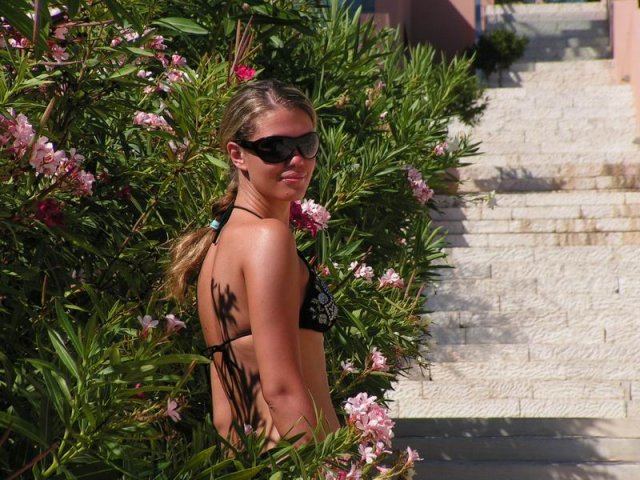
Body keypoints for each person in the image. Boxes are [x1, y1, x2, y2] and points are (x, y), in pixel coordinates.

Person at [167, 79, 340, 448]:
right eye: (275, 147)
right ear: (237, 154)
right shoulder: (267, 239)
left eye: (307, 144)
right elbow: (280, 389)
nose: (297, 160)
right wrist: (330, 468)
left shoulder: (221, 241)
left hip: (252, 458)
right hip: (295, 455)